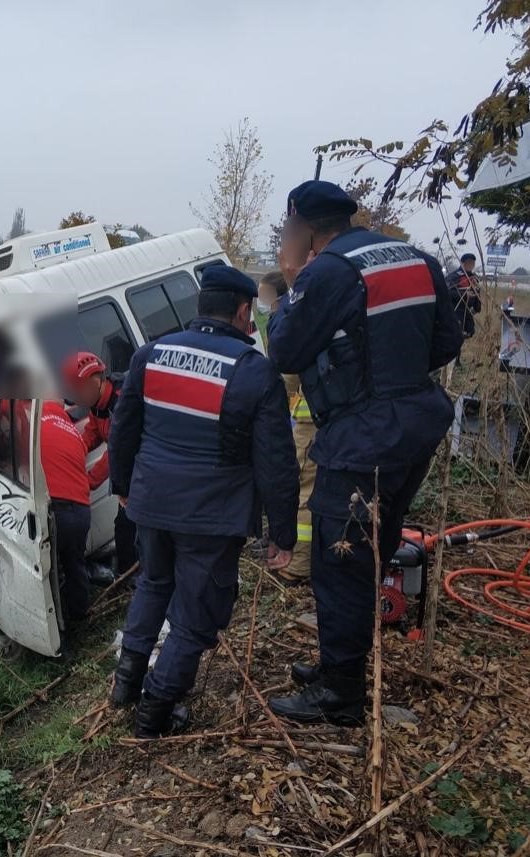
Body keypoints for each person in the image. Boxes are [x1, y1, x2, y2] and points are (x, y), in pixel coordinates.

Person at [266, 180, 462, 726]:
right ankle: (340, 662)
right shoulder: (416, 258)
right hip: (416, 427)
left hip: (363, 440)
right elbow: (446, 343)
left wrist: (289, 282)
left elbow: (283, 349)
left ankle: (341, 693)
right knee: (375, 548)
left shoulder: (326, 271)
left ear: (303, 228)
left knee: (341, 561)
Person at [107, 265, 299, 739]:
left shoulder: (150, 355)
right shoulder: (254, 371)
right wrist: (283, 533)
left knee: (153, 584)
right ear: (241, 311)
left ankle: (126, 685)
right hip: (211, 517)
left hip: (150, 502)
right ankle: (154, 713)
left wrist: (123, 486)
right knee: (195, 615)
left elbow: (123, 428)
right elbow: (276, 462)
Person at [0, 397, 93, 624]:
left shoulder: (30, 414)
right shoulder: (68, 426)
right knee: (75, 567)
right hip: (82, 510)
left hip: (55, 511)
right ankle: (81, 619)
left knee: (45, 576)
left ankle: (56, 636)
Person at [258, 271, 315, 584]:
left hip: (310, 421)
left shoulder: (294, 319)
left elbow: (287, 376)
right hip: (315, 418)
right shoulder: (311, 309)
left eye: (266, 296)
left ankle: (298, 566)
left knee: (304, 489)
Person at [62, 351, 138, 579]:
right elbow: (93, 433)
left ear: (95, 382)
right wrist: (72, 451)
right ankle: (130, 574)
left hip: (142, 470)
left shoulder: (122, 400)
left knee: (129, 527)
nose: (75, 400)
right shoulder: (98, 405)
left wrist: (85, 483)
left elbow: (117, 452)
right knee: (126, 526)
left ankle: (132, 578)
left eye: (77, 391)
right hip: (128, 472)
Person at [446, 253, 482, 339]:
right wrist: (464, 294)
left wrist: (477, 306)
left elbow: (477, 294)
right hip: (456, 310)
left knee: (469, 331)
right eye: (468, 263)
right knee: (456, 334)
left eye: (472, 263)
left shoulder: (474, 278)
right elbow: (448, 292)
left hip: (468, 311)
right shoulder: (454, 276)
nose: (470, 265)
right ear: (462, 263)